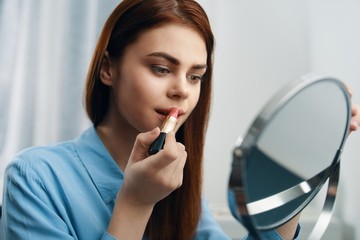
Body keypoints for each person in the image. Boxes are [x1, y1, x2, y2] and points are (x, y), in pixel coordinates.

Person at [1, 0, 360, 239]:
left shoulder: (180, 186)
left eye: (195, 76)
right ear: (108, 68)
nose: (181, 91)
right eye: (161, 68)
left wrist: (296, 166)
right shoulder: (36, 177)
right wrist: (136, 203)